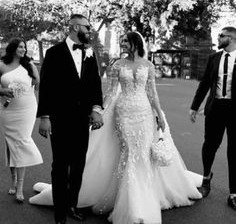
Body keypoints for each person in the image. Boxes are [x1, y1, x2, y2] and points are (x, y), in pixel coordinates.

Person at [30, 31, 202, 224]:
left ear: (135, 43)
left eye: (126, 42)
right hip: (124, 113)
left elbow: (152, 93)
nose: (123, 45)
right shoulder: (117, 65)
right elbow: (111, 92)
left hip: (144, 113)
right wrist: (99, 111)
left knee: (144, 153)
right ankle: (131, 201)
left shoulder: (149, 65)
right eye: (121, 42)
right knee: (129, 151)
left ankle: (145, 194)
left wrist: (159, 115)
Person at [37, 14, 103, 224]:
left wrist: (96, 109)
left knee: (78, 166)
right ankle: (59, 216)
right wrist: (45, 117)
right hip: (60, 119)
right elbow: (46, 87)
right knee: (60, 166)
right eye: (86, 27)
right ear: (75, 27)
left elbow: (95, 85)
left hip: (82, 121)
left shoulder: (91, 54)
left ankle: (71, 205)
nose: (89, 30)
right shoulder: (54, 53)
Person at [189, 26, 236, 210]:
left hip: (234, 110)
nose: (218, 37)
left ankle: (233, 193)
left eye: (221, 35)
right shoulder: (214, 58)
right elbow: (205, 84)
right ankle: (206, 178)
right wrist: (194, 106)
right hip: (215, 108)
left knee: (234, 151)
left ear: (231, 38)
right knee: (210, 145)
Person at [0, 38, 43, 203]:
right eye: (20, 46)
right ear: (12, 48)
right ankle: (12, 179)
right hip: (7, 110)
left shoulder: (30, 65)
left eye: (24, 46)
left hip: (27, 109)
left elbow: (37, 83)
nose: (23, 49)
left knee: (22, 142)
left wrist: (23, 89)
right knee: (11, 144)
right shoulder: (2, 65)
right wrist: (3, 91)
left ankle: (19, 186)